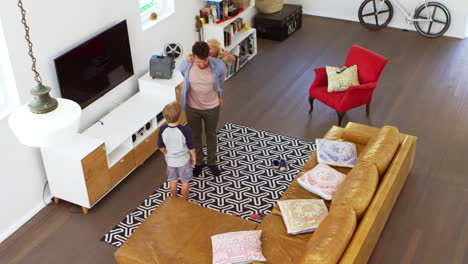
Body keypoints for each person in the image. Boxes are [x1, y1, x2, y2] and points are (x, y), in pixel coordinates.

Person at [180, 41, 227, 177]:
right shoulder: (186, 64)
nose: (202, 65)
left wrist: (219, 96)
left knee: (211, 134)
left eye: (204, 61)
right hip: (192, 107)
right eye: (198, 62)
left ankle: (212, 162)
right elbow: (184, 77)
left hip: (212, 106)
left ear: (209, 56)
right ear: (193, 56)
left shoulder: (219, 66)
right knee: (195, 135)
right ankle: (198, 162)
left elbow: (220, 83)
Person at [158, 102, 196, 201]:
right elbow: (191, 146)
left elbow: (160, 146)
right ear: (179, 115)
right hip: (183, 161)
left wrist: (166, 153)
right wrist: (194, 157)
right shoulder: (184, 129)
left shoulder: (162, 129)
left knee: (173, 181)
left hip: (170, 161)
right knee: (185, 182)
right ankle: (185, 201)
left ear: (165, 116)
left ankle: (174, 200)